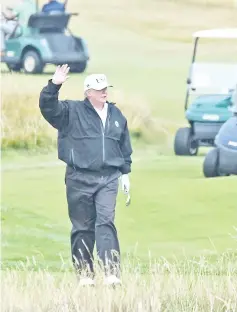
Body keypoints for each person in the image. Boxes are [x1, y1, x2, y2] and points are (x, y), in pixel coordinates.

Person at [39, 64, 133, 286]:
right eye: (99, 89)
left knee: (106, 221)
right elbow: (47, 107)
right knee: (82, 227)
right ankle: (85, 275)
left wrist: (125, 173)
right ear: (88, 92)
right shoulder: (71, 112)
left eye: (106, 88)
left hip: (108, 177)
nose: (104, 92)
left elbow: (124, 146)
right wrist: (54, 85)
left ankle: (111, 273)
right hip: (78, 178)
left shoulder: (116, 115)